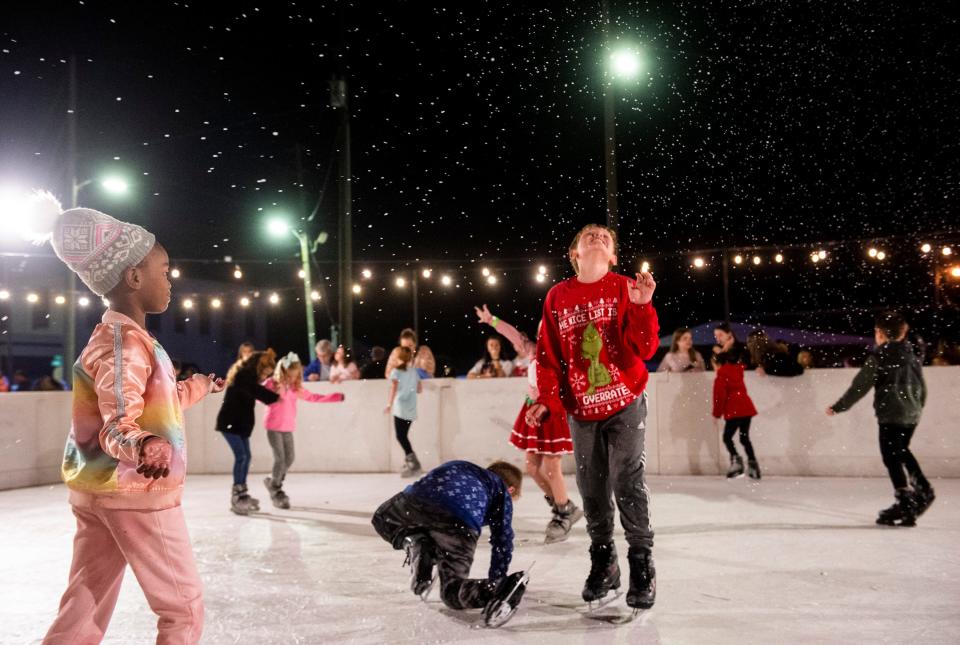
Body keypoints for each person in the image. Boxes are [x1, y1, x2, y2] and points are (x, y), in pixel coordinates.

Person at [31, 191, 224, 644]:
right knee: (183, 607)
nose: (171, 281)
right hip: (137, 491)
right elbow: (118, 423)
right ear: (134, 277)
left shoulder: (118, 340)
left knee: (86, 602)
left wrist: (199, 387)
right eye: (165, 271)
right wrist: (144, 445)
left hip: (96, 490)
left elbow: (154, 401)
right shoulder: (125, 346)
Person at [525, 223, 659, 611]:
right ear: (575, 254)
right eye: (589, 235)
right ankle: (604, 563)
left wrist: (642, 306)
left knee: (627, 479)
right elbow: (548, 357)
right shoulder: (557, 297)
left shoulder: (625, 287)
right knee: (592, 487)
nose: (598, 236)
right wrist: (547, 399)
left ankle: (641, 563)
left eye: (606, 236)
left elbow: (647, 348)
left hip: (625, 402)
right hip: (582, 409)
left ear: (614, 255)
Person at [475, 304, 582, 543]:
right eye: (542, 331)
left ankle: (563, 511)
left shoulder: (563, 358)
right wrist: (492, 320)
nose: (545, 335)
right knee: (532, 467)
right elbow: (513, 334)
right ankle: (564, 505)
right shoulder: (533, 351)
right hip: (533, 410)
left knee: (552, 468)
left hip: (553, 413)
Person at [371, 460, 528, 623]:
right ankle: (496, 590)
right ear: (511, 489)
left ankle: (418, 542)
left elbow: (432, 486)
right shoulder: (501, 491)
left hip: (417, 501)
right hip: (459, 522)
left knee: (382, 518)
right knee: (452, 593)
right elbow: (502, 540)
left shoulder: (459, 465)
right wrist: (498, 580)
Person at [826, 311, 933, 526]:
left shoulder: (880, 356)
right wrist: (917, 406)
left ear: (879, 333)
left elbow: (859, 387)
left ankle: (907, 498)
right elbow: (922, 385)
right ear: (903, 333)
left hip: (891, 412)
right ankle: (920, 490)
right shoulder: (912, 355)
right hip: (911, 412)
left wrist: (839, 407)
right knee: (901, 450)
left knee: (891, 456)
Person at [262, 352, 344, 508]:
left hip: (287, 427)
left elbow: (313, 397)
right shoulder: (271, 384)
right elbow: (258, 394)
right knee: (280, 459)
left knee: (290, 458)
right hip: (273, 426)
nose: (292, 379)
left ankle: (272, 480)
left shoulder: (295, 388)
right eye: (290, 375)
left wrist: (333, 397)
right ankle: (276, 488)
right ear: (283, 371)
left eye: (295, 376)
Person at [216, 349, 280, 514]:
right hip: (230, 423)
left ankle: (242, 492)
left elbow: (253, 393)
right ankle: (237, 495)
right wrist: (275, 397)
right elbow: (256, 391)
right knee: (242, 456)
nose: (266, 376)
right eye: (266, 372)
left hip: (239, 424)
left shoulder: (247, 377)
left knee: (246, 456)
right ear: (259, 366)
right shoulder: (244, 375)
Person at [712, 351, 761, 479]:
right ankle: (752, 464)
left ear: (718, 364)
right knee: (744, 438)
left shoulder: (721, 375)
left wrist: (716, 414)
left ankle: (736, 461)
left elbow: (719, 396)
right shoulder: (738, 371)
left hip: (734, 409)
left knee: (727, 437)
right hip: (746, 407)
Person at [385, 346, 423, 477]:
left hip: (400, 406)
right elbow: (419, 389)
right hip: (411, 407)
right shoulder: (414, 372)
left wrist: (389, 404)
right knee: (404, 436)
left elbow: (393, 389)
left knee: (400, 436)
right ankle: (411, 462)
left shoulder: (396, 372)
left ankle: (413, 462)